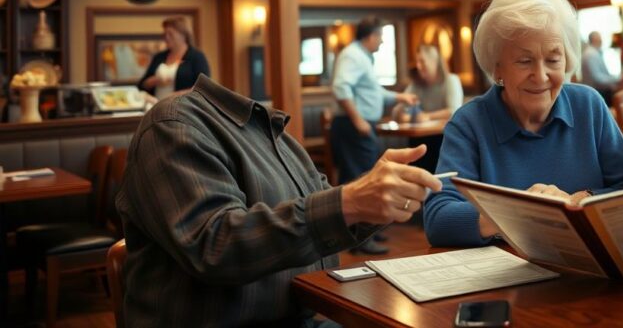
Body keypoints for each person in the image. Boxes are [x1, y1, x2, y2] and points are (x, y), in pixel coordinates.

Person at [116, 74, 443, 327]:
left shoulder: (275, 135)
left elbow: (326, 208)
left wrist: (374, 198)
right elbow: (216, 245)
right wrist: (351, 201)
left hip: (307, 315)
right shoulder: (176, 124)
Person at [424, 0, 623, 247]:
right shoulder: (470, 123)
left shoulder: (588, 106)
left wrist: (577, 200)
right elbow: (438, 219)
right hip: (504, 279)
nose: (541, 75)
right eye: (524, 61)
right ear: (497, 67)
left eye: (553, 59)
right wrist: (522, 211)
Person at [331, 17, 417, 254]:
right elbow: (340, 87)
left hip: (358, 125)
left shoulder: (362, 57)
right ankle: (356, 241)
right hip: (353, 126)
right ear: (371, 36)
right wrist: (358, 120)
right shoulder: (353, 56)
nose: (381, 42)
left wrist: (400, 97)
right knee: (360, 180)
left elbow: (373, 92)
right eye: (380, 37)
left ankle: (362, 236)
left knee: (365, 176)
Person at [138, 16, 210, 100]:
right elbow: (142, 85)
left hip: (183, 109)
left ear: (183, 35)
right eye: (164, 34)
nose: (166, 38)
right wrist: (156, 80)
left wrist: (178, 94)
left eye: (170, 34)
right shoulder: (159, 57)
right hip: (157, 106)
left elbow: (204, 88)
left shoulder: (196, 57)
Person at [392, 43, 463, 122]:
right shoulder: (416, 85)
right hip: (422, 133)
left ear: (434, 61)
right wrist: (402, 114)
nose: (418, 66)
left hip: (444, 132)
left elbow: (454, 111)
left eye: (422, 61)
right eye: (417, 62)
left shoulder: (451, 80)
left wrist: (427, 116)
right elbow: (399, 109)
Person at [581, 31, 620, 104]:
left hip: (596, 92)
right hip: (597, 93)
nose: (601, 41)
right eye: (599, 39)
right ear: (594, 40)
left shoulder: (593, 53)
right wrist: (617, 78)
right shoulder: (591, 55)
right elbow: (598, 79)